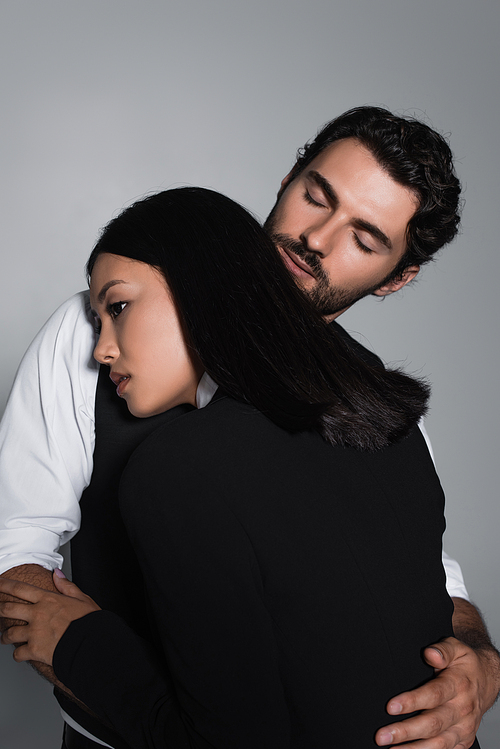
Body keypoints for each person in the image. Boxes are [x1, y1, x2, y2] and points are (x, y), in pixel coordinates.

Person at [0, 107, 498, 748]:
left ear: (395, 280)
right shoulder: (101, 324)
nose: (316, 237)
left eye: (364, 238)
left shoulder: (381, 401)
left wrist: (480, 664)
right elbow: (14, 551)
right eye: (316, 196)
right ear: (290, 176)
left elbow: (429, 577)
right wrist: (84, 655)